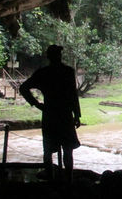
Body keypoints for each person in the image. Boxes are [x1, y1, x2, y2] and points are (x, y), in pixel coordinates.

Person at [20, 45, 81, 183]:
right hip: (65, 114)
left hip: (50, 114)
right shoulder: (68, 71)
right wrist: (77, 115)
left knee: (48, 151)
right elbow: (73, 95)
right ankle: (69, 181)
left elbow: (23, 88)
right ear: (59, 55)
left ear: (48, 57)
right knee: (67, 150)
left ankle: (51, 180)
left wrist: (37, 105)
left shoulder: (43, 73)